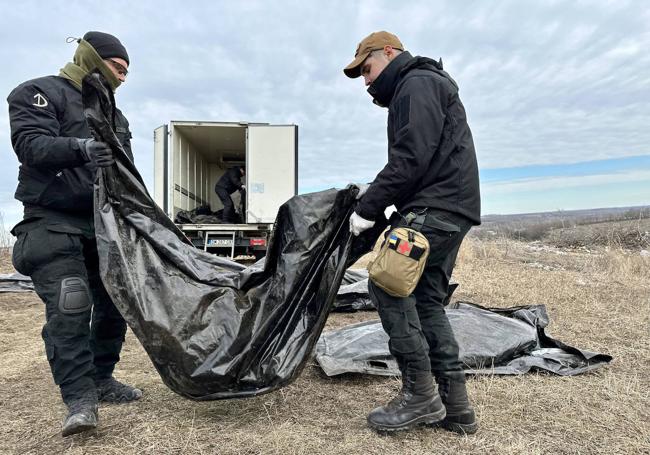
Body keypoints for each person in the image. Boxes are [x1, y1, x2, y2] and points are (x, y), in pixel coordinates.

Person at [344, 31, 481, 434]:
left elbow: (411, 157)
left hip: (434, 210)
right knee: (426, 301)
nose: (366, 81)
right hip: (452, 209)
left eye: (367, 69)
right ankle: (456, 406)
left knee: (387, 282)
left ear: (389, 53)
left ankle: (420, 395)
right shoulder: (425, 84)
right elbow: (419, 157)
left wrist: (367, 210)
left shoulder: (416, 84)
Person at [7, 31, 142, 437]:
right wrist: (81, 148)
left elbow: (127, 177)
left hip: (102, 227)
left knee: (116, 303)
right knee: (71, 304)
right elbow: (30, 145)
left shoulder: (116, 117)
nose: (120, 79)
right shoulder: (37, 92)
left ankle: (102, 378)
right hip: (52, 221)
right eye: (116, 69)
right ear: (92, 58)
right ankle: (80, 399)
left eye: (125, 74)